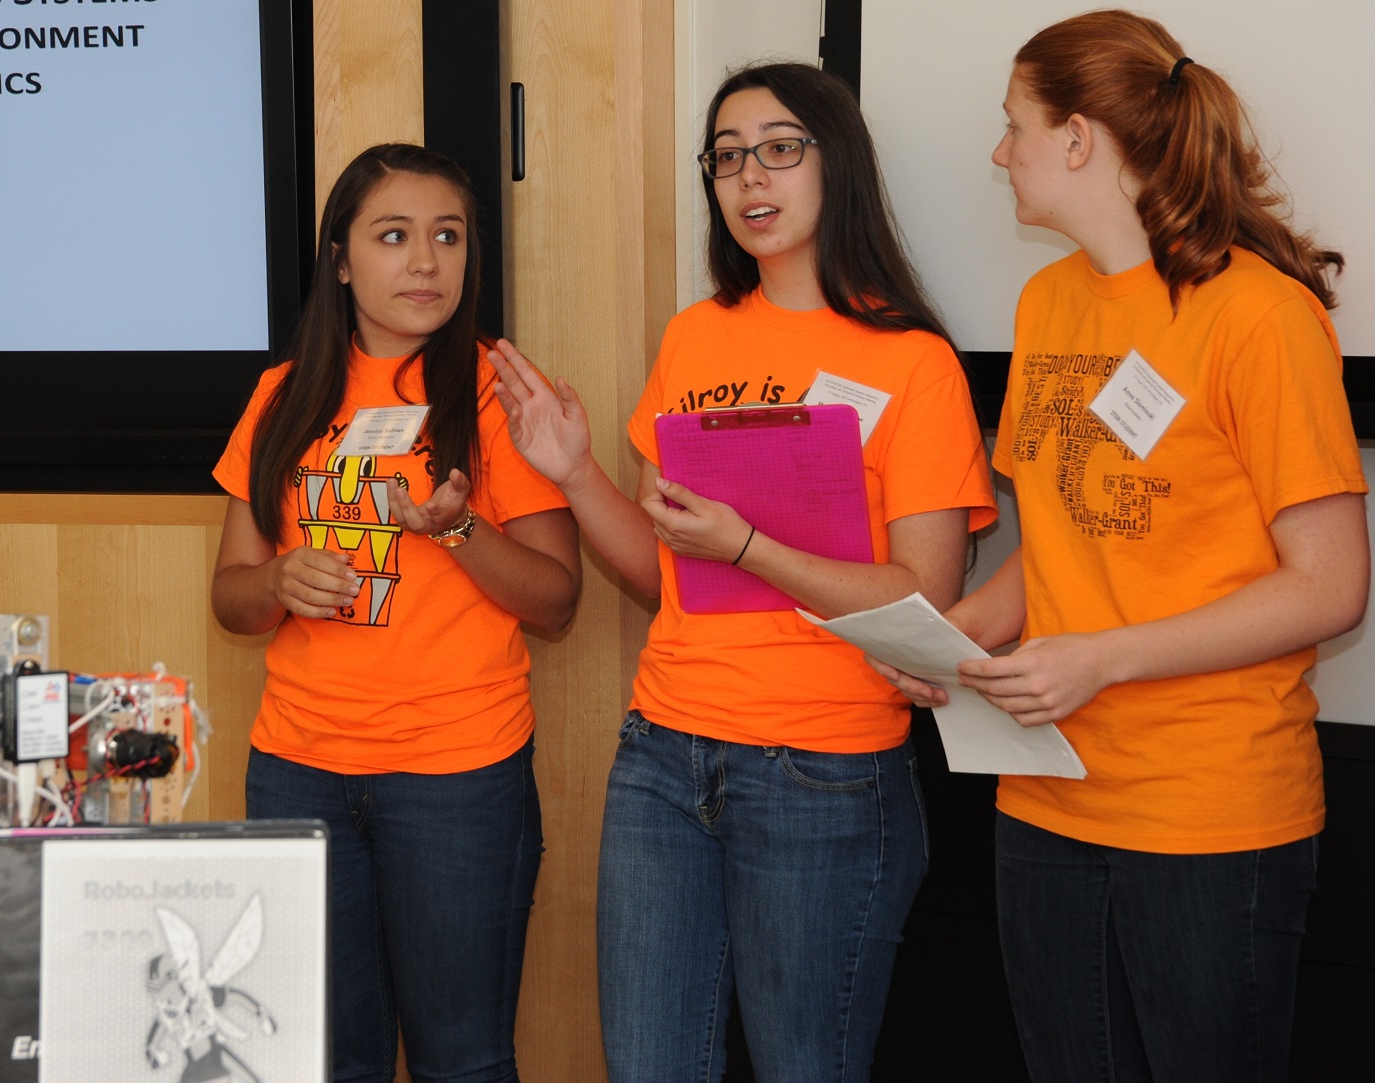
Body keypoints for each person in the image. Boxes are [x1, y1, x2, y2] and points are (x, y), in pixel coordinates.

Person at [870, 11, 1369, 1081]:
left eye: (1015, 126)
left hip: (1208, 815)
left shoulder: (1258, 316)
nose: (1001, 153)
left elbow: (1330, 589)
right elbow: (1052, 551)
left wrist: (1102, 657)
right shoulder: (1048, 303)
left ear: (1081, 138)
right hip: (1044, 798)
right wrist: (944, 639)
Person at [491, 62, 995, 1080]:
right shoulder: (695, 334)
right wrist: (577, 473)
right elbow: (659, 568)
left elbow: (926, 593)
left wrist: (752, 549)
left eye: (778, 148)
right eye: (726, 158)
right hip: (663, 757)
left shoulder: (912, 361)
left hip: (823, 773)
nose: (748, 177)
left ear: (832, 162)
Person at [210, 143, 581, 1083]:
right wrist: (281, 579)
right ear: (341, 259)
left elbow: (557, 596)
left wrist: (459, 533)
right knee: (331, 1058)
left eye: (448, 236)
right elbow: (232, 595)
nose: (426, 261)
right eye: (394, 236)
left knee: (462, 1058)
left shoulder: (498, 392)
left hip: (456, 776)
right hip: (298, 771)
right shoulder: (281, 396)